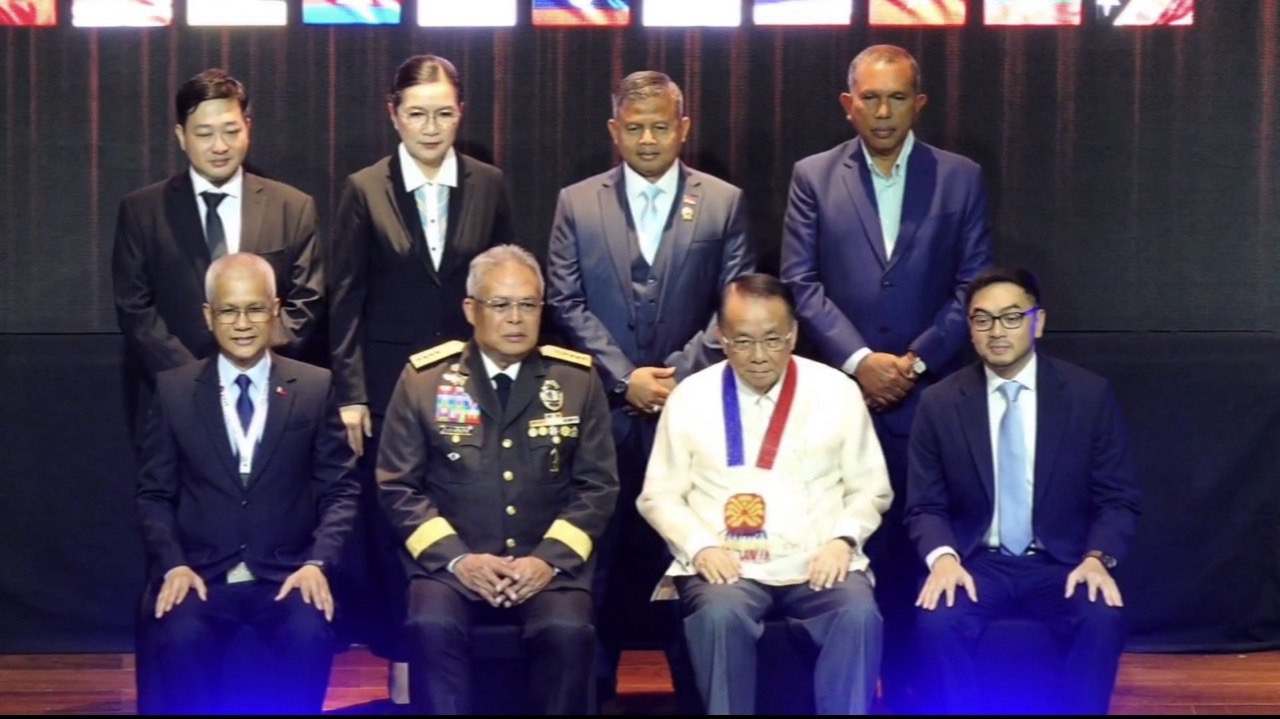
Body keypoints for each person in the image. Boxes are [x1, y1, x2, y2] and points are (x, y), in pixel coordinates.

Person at [778, 44, 992, 708]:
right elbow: (799, 282)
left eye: (897, 97)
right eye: (870, 98)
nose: (882, 111)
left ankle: (907, 691)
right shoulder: (814, 176)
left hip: (929, 396)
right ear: (848, 105)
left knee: (914, 545)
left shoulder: (960, 177)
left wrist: (914, 361)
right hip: (840, 397)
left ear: (918, 104)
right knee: (839, 543)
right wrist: (859, 362)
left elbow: (973, 285)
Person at [546, 69, 754, 702]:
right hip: (602, 415)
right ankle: (590, 696)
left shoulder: (723, 202)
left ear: (683, 128)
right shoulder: (576, 202)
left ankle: (696, 696)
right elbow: (564, 299)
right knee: (598, 562)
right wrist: (624, 377)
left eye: (660, 127)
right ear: (614, 130)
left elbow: (735, 307)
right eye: (634, 128)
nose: (647, 140)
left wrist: (674, 379)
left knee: (693, 559)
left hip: (694, 414)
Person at [326, 53, 515, 700]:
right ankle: (402, 664)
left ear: (460, 114)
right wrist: (351, 394)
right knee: (395, 522)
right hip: (389, 388)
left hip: (472, 384)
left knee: (465, 510)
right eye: (416, 114)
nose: (430, 128)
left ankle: (465, 662)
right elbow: (346, 298)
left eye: (442, 113)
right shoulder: (364, 188)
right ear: (394, 115)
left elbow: (505, 288)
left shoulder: (489, 184)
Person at [376, 244, 618, 714]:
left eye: (528, 304)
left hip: (547, 564)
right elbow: (398, 486)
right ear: (471, 310)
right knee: (430, 625)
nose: (516, 319)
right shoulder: (425, 380)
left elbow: (598, 486)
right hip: (452, 566)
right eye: (501, 304)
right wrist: (458, 560)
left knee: (567, 630)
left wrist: (546, 561)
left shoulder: (575, 380)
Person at [637, 273, 892, 715]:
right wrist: (700, 547)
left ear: (793, 334)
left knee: (857, 613)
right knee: (719, 615)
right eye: (742, 341)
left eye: (773, 340)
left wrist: (843, 540)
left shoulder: (837, 391)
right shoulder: (690, 397)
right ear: (721, 338)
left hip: (818, 560)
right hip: (727, 564)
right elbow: (659, 495)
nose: (758, 356)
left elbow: (870, 487)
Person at [905, 266, 1141, 714]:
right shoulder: (939, 403)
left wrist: (1098, 558)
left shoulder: (1087, 395)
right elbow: (924, 505)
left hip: (1061, 561)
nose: (997, 331)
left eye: (1012, 317)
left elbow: (1118, 499)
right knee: (937, 621)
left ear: (1038, 322)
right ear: (969, 329)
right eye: (983, 319)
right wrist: (944, 559)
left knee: (1102, 618)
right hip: (976, 561)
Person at [134, 253, 359, 714]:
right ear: (208, 316)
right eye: (229, 311)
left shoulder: (314, 387)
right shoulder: (174, 390)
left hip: (286, 573)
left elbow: (341, 490)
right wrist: (174, 566)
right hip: (202, 574)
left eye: (255, 309)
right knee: (179, 634)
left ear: (275, 311)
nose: (242, 324)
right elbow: (154, 495)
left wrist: (317, 563)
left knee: (308, 632)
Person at [113, 68, 324, 428]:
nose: (220, 146)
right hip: (173, 397)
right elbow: (135, 309)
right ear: (181, 136)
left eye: (231, 131)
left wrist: (253, 363)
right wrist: (193, 379)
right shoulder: (142, 211)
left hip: (272, 393)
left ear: (248, 127)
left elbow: (308, 299)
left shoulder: (292, 207)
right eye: (204, 134)